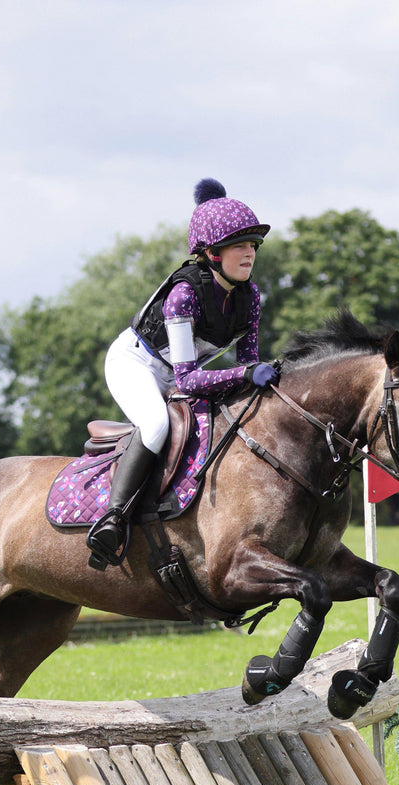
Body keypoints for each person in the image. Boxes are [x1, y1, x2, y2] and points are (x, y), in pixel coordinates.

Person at [85, 178, 280, 569]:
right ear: (211, 252)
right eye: (240, 245)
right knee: (156, 425)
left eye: (253, 245)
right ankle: (112, 518)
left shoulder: (250, 297)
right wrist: (247, 375)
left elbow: (246, 363)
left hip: (177, 374)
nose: (250, 253)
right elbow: (191, 380)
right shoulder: (184, 294)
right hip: (135, 364)